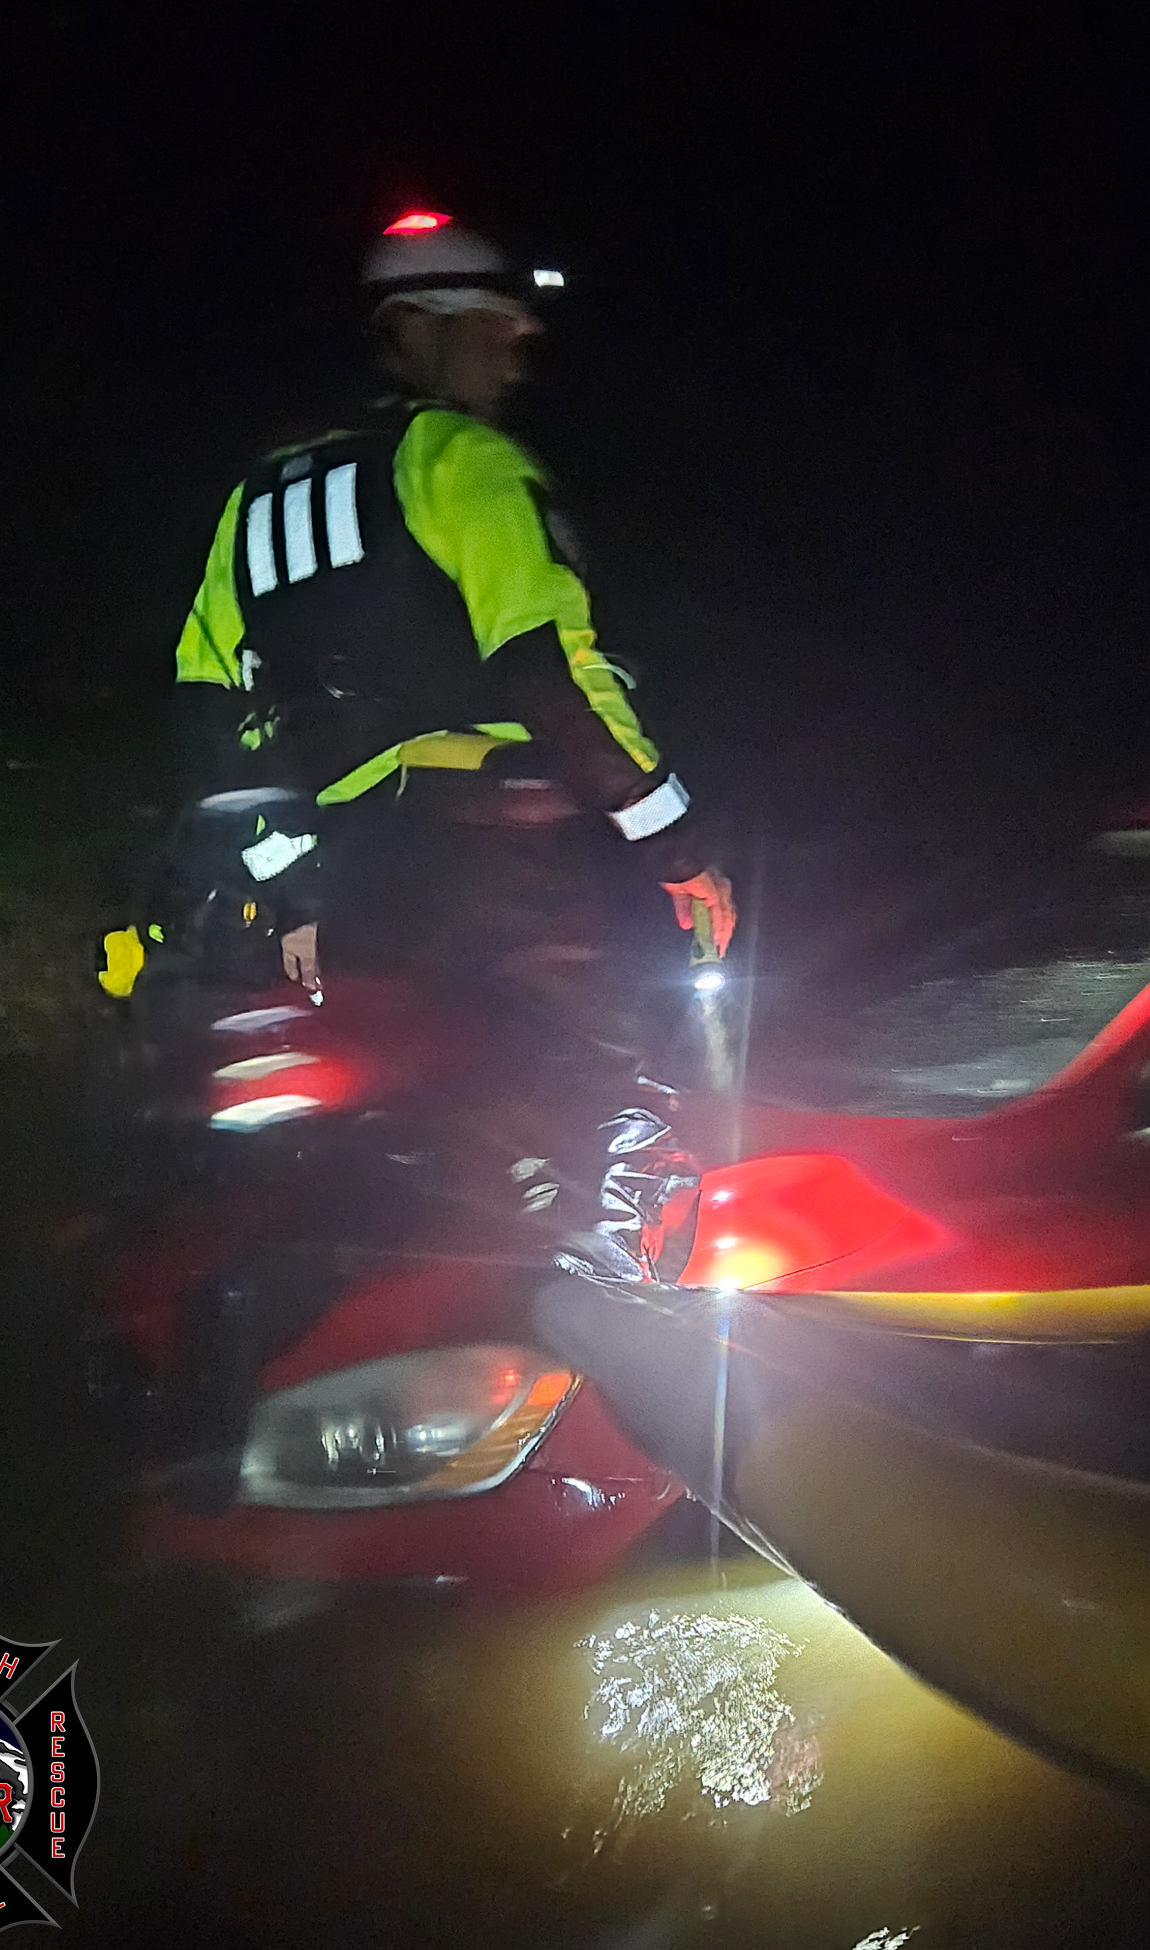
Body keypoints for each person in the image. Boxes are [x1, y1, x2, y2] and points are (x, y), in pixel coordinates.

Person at [105, 209, 735, 1275]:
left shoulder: (255, 502)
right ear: (417, 330)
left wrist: (277, 875)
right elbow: (548, 665)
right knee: (609, 1100)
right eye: (494, 323)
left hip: (340, 880)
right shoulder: (461, 461)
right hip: (498, 855)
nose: (518, 343)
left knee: (399, 1124)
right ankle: (636, 1359)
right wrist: (672, 840)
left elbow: (205, 707)